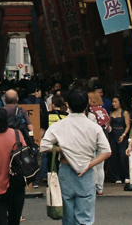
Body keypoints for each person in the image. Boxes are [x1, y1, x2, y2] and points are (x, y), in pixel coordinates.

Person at [40, 89, 111, 225]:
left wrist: (63, 149)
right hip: (87, 171)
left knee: (68, 217)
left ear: (67, 105)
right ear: (86, 105)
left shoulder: (59, 125)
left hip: (66, 170)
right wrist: (90, 164)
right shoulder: (94, 127)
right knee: (85, 216)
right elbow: (106, 151)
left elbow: (44, 145)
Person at [87, 82, 111, 195]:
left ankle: (94, 185)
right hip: (104, 138)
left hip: (93, 140)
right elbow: (108, 127)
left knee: (93, 164)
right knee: (101, 166)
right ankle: (100, 188)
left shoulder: (91, 112)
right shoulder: (103, 110)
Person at [108, 96, 131, 184]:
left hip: (121, 133)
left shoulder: (125, 113)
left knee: (123, 156)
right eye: (113, 102)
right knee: (113, 156)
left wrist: (124, 134)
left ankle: (125, 175)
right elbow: (109, 124)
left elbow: (128, 125)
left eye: (115, 102)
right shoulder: (111, 113)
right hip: (113, 134)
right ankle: (115, 176)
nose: (114, 103)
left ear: (120, 102)